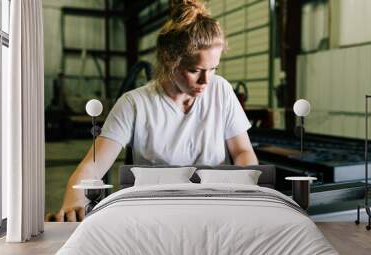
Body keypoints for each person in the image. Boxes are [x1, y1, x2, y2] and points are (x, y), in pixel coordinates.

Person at [56, 0, 258, 222]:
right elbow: (93, 165)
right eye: (194, 70)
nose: (205, 80)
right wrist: (74, 200)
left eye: (213, 69)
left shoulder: (221, 90)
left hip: (215, 209)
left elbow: (242, 152)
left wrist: (244, 190)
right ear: (169, 60)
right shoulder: (134, 104)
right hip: (155, 214)